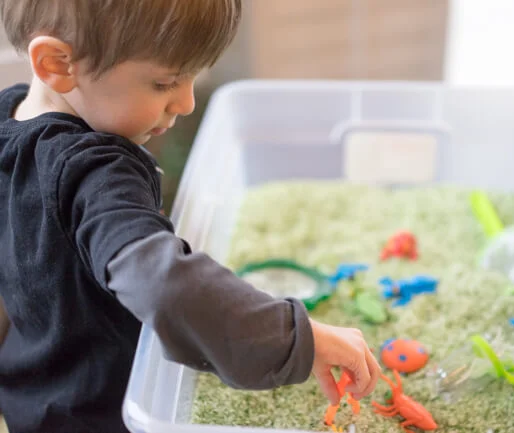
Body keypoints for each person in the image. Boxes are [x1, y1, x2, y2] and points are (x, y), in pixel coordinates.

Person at [0, 1, 381, 432]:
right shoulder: (94, 174)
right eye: (165, 82)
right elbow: (163, 284)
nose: (185, 102)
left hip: (30, 396)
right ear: (57, 63)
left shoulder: (8, 120)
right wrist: (301, 340)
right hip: (102, 413)